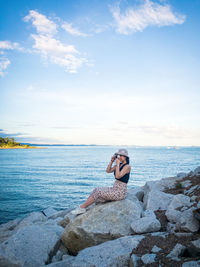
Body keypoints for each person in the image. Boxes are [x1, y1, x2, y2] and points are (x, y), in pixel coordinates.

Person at [72, 148, 131, 215]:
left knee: (98, 192)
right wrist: (111, 161)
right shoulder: (119, 165)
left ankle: (82, 207)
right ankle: (84, 207)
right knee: (96, 189)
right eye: (118, 155)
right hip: (115, 188)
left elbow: (117, 176)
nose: (119, 157)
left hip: (120, 192)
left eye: (121, 155)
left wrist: (117, 164)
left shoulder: (127, 166)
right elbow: (108, 171)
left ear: (125, 157)